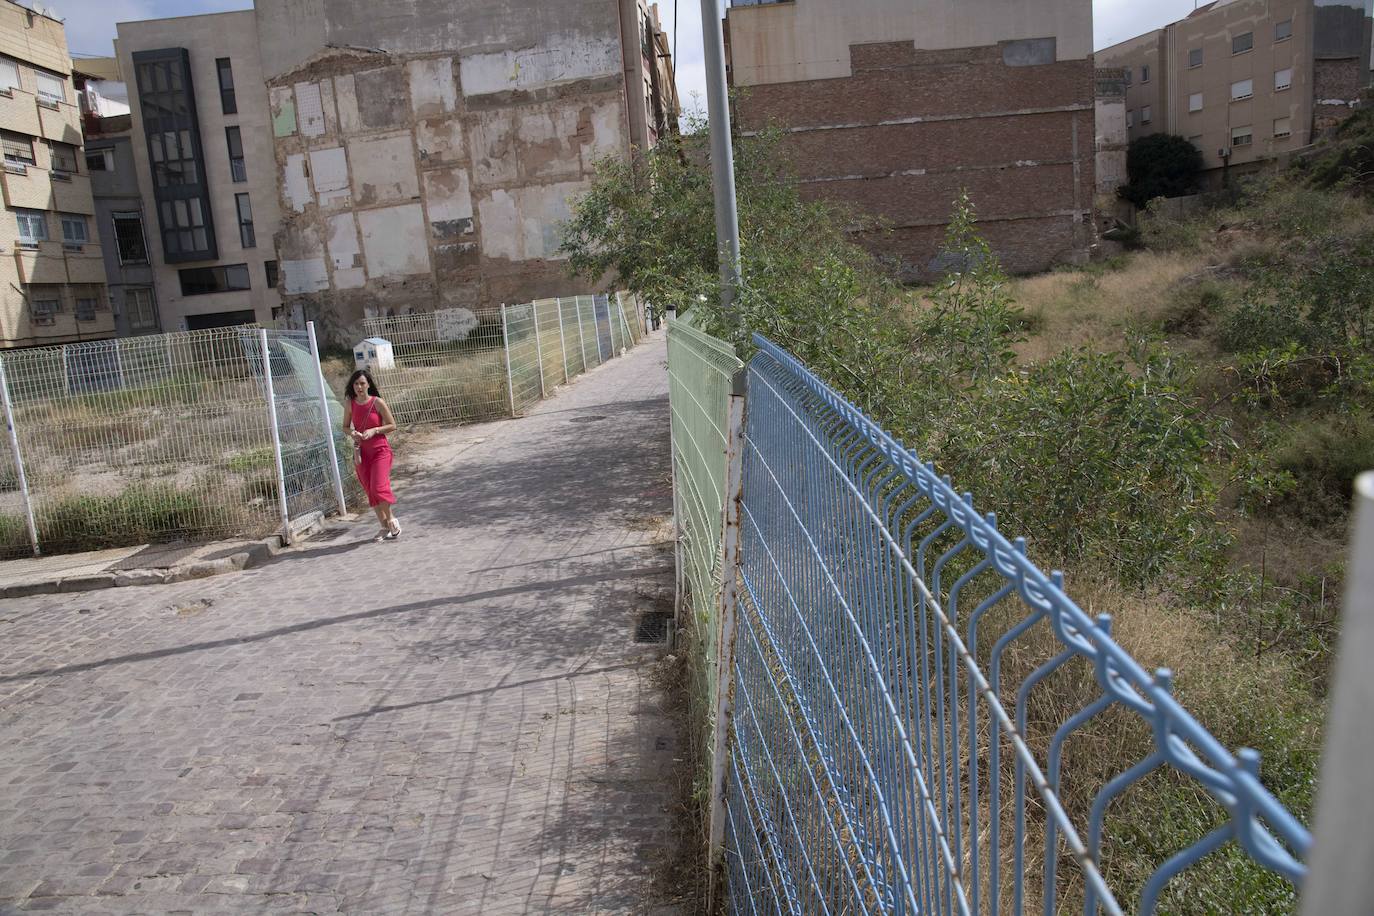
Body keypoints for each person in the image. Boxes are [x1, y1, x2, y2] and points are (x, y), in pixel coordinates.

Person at [343, 369, 401, 541]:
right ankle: (384, 527)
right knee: (370, 489)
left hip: (380, 450)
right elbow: (345, 426)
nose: (359, 387)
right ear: (352, 386)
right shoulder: (350, 404)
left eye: (362, 383)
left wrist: (375, 430)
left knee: (378, 486)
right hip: (361, 452)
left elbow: (392, 425)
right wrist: (352, 433)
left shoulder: (377, 402)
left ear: (368, 384)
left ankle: (390, 519)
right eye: (356, 384)